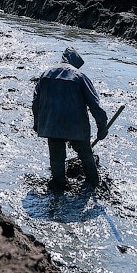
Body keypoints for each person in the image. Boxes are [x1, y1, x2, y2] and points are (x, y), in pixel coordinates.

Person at [32, 47, 108, 190]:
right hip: (76, 125)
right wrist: (102, 126)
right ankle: (93, 183)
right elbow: (94, 105)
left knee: (56, 159)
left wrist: (37, 123)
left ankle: (59, 186)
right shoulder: (80, 77)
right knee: (86, 154)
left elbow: (36, 102)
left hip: (52, 124)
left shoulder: (45, 75)